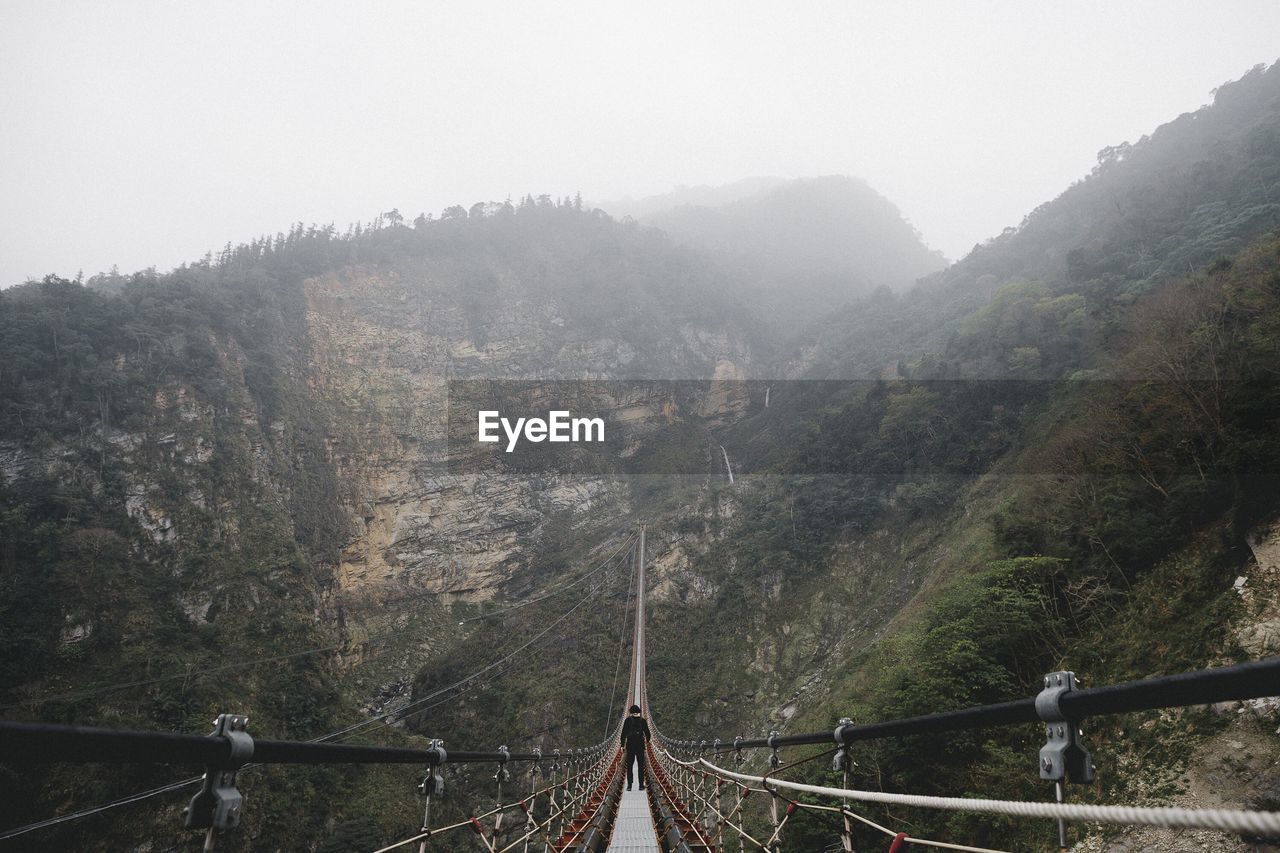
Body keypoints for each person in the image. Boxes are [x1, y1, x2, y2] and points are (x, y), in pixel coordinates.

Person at [620, 704, 650, 791]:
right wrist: (646, 742)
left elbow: (623, 734)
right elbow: (648, 734)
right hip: (640, 746)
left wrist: (622, 745)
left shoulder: (628, 720)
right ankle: (641, 785)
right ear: (639, 712)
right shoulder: (643, 720)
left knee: (629, 766)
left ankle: (629, 786)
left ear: (631, 712)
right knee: (641, 766)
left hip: (630, 746)